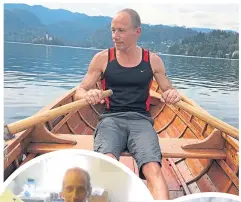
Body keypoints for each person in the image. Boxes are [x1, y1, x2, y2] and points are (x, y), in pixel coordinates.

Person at [74, 8, 181, 200]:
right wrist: (89, 94)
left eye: (121, 31)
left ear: (137, 32)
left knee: (153, 168)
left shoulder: (153, 60)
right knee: (106, 165)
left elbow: (168, 90)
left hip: (141, 121)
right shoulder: (102, 58)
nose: (115, 36)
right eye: (113, 30)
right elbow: (78, 92)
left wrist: (172, 94)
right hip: (110, 120)